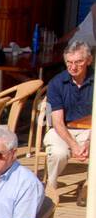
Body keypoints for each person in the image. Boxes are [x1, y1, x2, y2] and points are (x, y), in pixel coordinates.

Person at [42, 39, 92, 203]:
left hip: (90, 130)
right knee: (59, 153)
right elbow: (57, 122)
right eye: (69, 62)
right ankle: (51, 185)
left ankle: (89, 184)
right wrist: (74, 145)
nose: (73, 67)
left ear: (89, 61)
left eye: (78, 62)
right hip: (62, 129)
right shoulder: (57, 83)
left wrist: (89, 142)